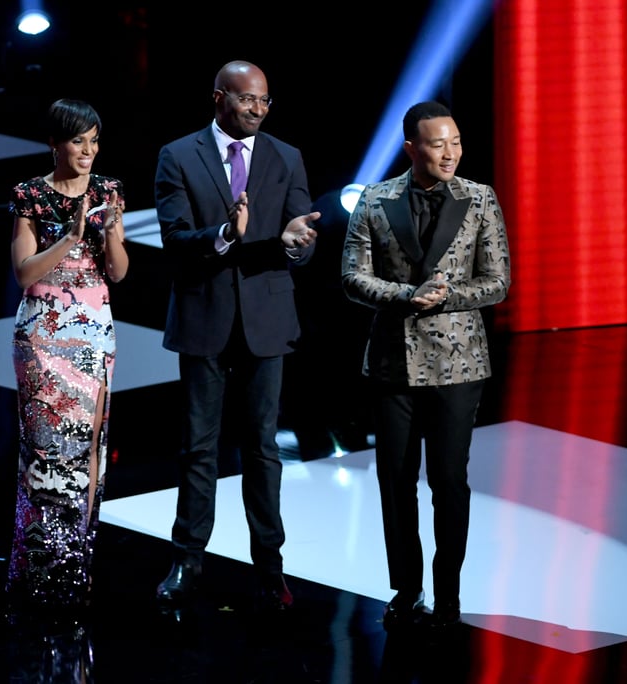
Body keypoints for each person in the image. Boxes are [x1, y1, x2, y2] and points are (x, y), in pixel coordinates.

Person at [153, 60, 320, 612]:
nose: (258, 109)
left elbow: (302, 233)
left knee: (263, 447)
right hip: (205, 315)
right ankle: (187, 559)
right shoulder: (178, 155)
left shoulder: (286, 156)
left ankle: (270, 566)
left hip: (266, 320)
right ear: (220, 98)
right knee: (199, 447)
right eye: (248, 100)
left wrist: (298, 244)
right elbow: (175, 238)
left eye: (265, 101)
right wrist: (225, 233)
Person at [341, 100, 510, 631]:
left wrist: (444, 298)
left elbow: (497, 281)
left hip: (459, 366)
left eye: (455, 142)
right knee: (395, 480)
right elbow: (352, 275)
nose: (450, 153)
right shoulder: (375, 198)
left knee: (449, 481)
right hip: (393, 364)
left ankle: (450, 594)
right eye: (438, 143)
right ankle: (407, 588)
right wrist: (405, 296)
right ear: (412, 146)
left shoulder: (479, 198)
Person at [5, 99, 128, 625]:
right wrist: (72, 237)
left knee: (89, 454)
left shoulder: (108, 191)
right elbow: (24, 272)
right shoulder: (30, 194)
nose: (88, 151)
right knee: (45, 453)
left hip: (95, 335)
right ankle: (37, 571)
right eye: (79, 141)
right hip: (43, 337)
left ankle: (76, 567)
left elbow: (119, 273)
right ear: (56, 142)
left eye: (95, 141)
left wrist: (109, 233)